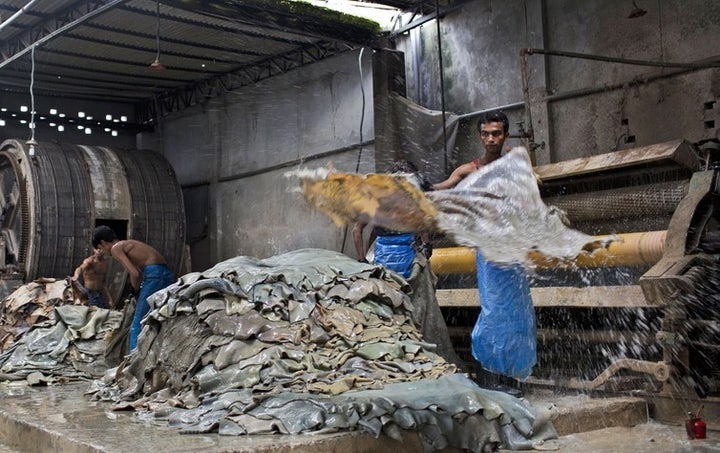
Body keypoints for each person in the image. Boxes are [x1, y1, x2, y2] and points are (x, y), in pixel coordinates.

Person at [433, 111, 536, 391]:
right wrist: (414, 185)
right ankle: (489, 376)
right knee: (494, 311)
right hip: (489, 252)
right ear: (480, 136)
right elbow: (441, 188)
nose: (491, 139)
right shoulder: (469, 170)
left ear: (504, 135)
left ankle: (510, 377)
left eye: (497, 133)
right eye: (486, 134)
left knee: (518, 314)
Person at [353, 160, 463, 367]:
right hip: (394, 262)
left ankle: (407, 354)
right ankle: (406, 353)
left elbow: (358, 231)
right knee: (402, 310)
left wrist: (361, 261)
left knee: (403, 311)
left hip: (394, 263)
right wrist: (425, 247)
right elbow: (358, 230)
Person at [92, 225, 175, 351]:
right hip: (165, 273)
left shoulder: (116, 248)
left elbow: (134, 274)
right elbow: (137, 272)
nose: (102, 253)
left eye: (100, 248)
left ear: (103, 242)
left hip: (154, 276)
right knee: (160, 316)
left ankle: (133, 360)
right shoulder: (128, 243)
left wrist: (135, 292)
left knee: (138, 321)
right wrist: (136, 290)